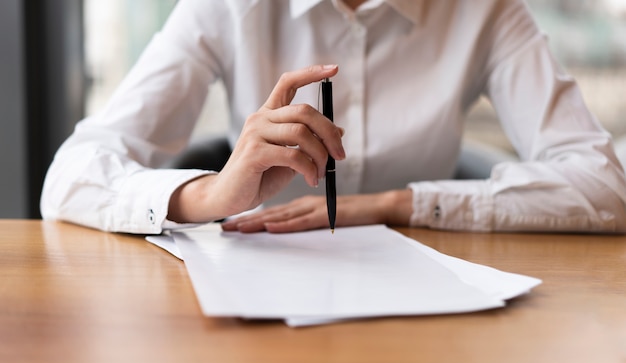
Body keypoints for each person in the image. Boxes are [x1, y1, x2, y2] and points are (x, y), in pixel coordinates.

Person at [41, 0, 626, 234]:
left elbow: (604, 187)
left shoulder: (485, 10)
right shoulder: (226, 6)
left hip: (427, 299)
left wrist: (394, 205)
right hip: (258, 292)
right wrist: (213, 196)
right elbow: (70, 176)